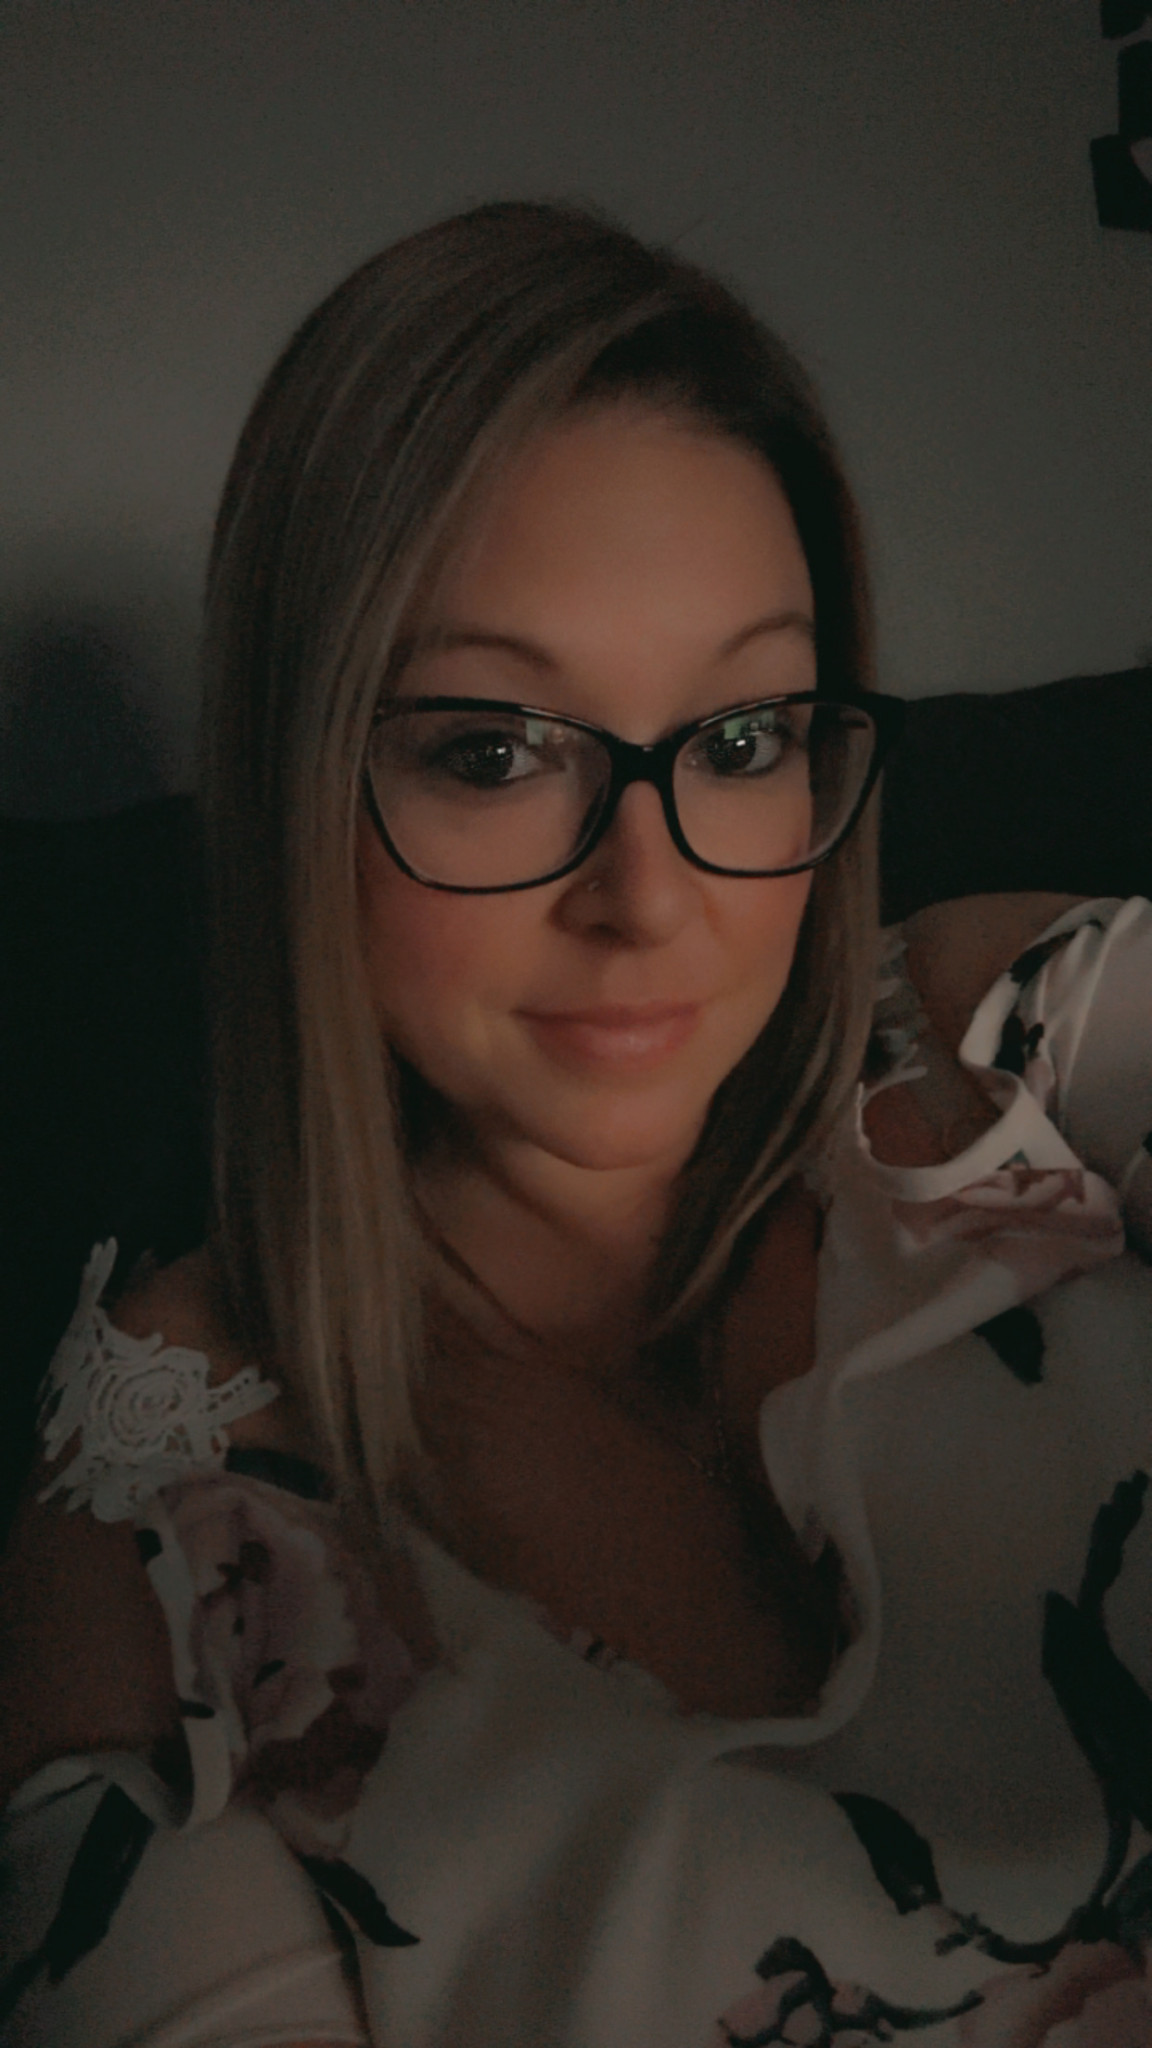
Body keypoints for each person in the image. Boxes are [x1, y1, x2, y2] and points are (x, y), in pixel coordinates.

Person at [1, 201, 1151, 2048]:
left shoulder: (1009, 1037)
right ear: (303, 780)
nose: (650, 898)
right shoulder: (166, 1495)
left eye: (744, 738)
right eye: (493, 752)